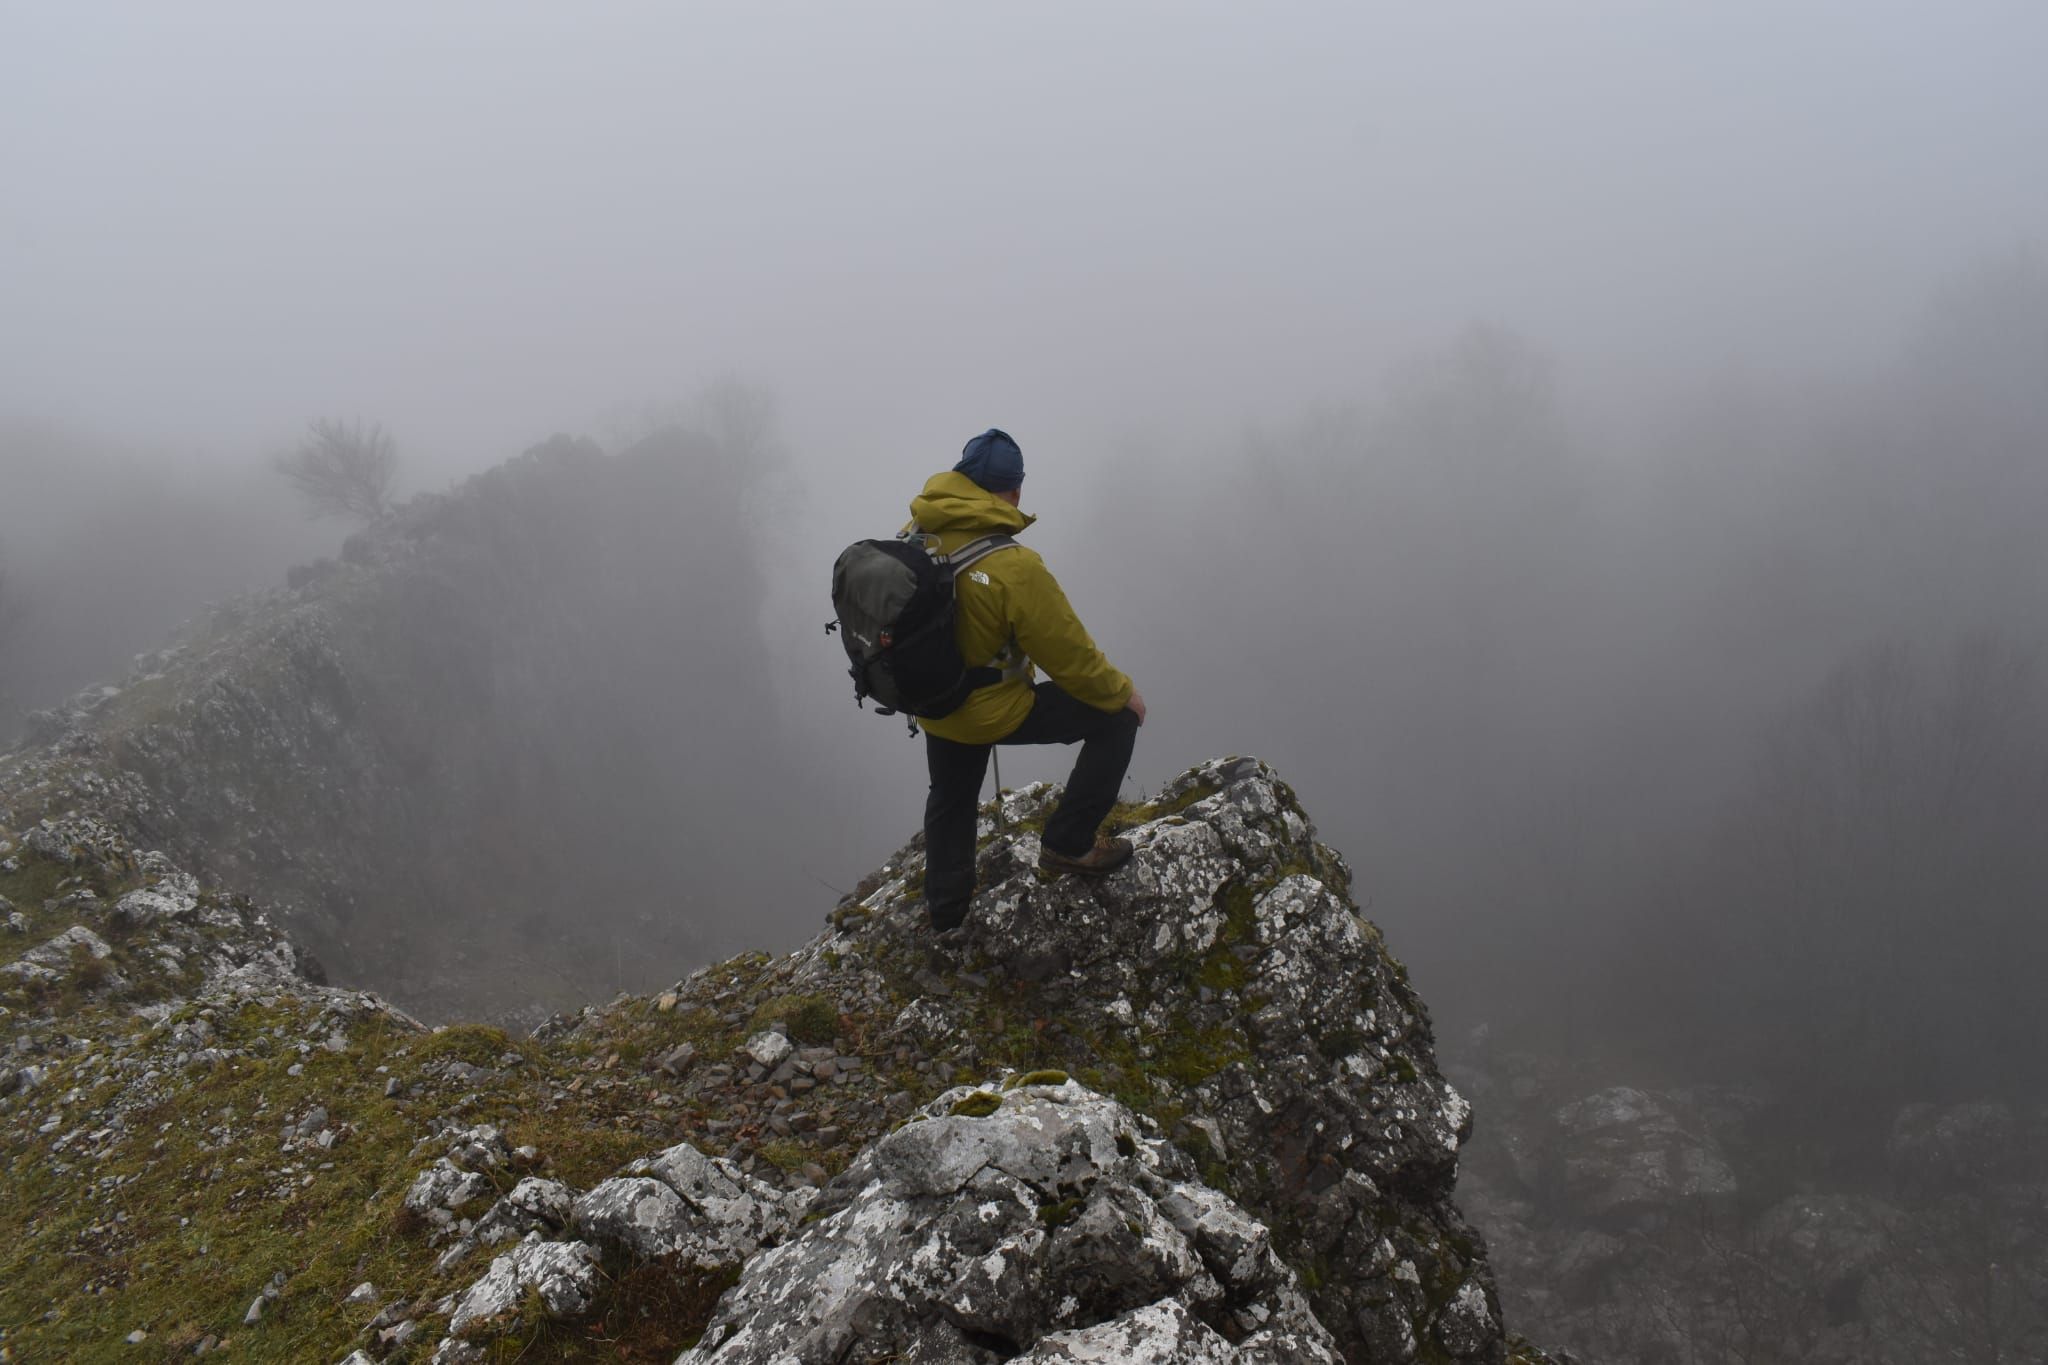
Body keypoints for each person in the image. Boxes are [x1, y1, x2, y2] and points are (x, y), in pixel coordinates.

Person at [909, 427, 1146, 934]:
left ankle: (946, 915)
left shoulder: (917, 532)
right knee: (1116, 720)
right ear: (1014, 491)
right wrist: (1122, 694)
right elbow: (1070, 657)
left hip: (933, 700)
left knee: (951, 797)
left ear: (961, 479)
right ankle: (1068, 844)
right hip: (991, 708)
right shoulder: (1014, 565)